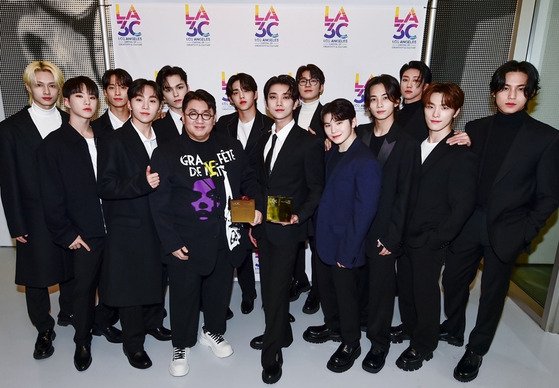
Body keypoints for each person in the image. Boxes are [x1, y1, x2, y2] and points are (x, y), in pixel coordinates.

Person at [441, 61, 559, 383]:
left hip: (508, 229)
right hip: (468, 222)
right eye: (505, 87)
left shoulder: (546, 138)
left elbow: (549, 196)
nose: (512, 95)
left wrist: (526, 231)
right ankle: (453, 327)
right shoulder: (476, 129)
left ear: (530, 94)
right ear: (494, 92)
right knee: (452, 280)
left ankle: (476, 348)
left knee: (492, 294)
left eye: (521, 89)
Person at [149, 89, 263, 377]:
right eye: (193, 114)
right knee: (184, 294)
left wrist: (257, 207)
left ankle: (212, 331)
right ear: (183, 117)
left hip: (226, 235)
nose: (199, 120)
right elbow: (159, 203)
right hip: (185, 240)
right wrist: (171, 241)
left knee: (219, 289)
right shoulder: (166, 152)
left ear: (214, 117)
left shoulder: (231, 146)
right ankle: (181, 343)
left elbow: (248, 179)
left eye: (206, 114)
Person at [37, 76, 121, 371]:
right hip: (83, 233)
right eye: (79, 96)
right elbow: (50, 195)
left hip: (115, 226)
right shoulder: (55, 144)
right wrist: (67, 233)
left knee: (112, 283)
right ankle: (82, 340)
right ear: (66, 102)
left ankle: (102, 323)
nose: (87, 101)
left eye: (92, 96)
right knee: (84, 289)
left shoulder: (106, 137)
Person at [395, 83, 477, 372]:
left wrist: (437, 239)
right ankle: (408, 328)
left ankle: (424, 343)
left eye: (444, 107)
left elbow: (463, 206)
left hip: (430, 238)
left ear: (455, 111)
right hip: (404, 234)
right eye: (430, 106)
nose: (436, 113)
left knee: (425, 291)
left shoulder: (461, 152)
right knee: (405, 286)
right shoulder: (414, 144)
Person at [251, 74, 325, 384]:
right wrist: (253, 214)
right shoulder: (262, 136)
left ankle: (272, 352)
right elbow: (257, 181)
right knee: (269, 286)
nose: (279, 102)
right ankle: (283, 331)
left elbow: (316, 188)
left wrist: (298, 217)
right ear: (266, 102)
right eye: (272, 96)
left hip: (287, 226)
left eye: (285, 96)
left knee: (277, 288)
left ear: (296, 102)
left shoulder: (308, 142)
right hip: (263, 225)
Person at [0, 60, 73, 360]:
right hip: (33, 215)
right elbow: (8, 180)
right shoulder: (10, 129)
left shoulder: (73, 120)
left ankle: (71, 313)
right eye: (40, 84)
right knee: (36, 275)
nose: (47, 91)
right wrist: (16, 224)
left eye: (52, 84)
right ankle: (44, 328)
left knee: (74, 268)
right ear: (28, 87)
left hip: (71, 212)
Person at [303, 98, 381, 373]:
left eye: (339, 122)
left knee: (347, 297)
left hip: (347, 244)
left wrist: (348, 252)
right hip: (324, 240)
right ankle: (333, 327)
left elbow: (364, 213)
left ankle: (351, 342)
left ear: (353, 122)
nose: (333, 129)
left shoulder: (365, 161)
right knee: (327, 290)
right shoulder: (331, 153)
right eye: (328, 125)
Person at [97, 78, 169, 369]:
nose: (145, 106)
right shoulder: (114, 140)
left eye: (152, 100)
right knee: (131, 287)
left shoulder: (164, 139)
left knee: (157, 277)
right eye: (139, 99)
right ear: (129, 102)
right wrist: (140, 183)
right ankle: (133, 345)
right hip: (129, 226)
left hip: (161, 224)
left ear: (159, 106)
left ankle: (153, 323)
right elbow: (105, 186)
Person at [354, 75, 419, 374]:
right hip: (357, 227)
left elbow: (406, 195)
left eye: (385, 98)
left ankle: (379, 343)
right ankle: (358, 327)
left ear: (396, 100)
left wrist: (393, 238)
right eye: (373, 98)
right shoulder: (359, 134)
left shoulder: (406, 142)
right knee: (360, 286)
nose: (379, 104)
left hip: (384, 231)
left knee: (382, 291)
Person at [215, 72, 274, 315]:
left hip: (262, 195)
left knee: (269, 248)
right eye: (235, 92)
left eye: (246, 90)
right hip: (232, 198)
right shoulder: (223, 124)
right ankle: (248, 294)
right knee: (240, 249)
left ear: (255, 94)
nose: (241, 96)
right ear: (229, 97)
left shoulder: (270, 125)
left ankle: (274, 300)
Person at [290, 63, 326, 315]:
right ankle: (300, 280)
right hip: (293, 187)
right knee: (292, 238)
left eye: (313, 80)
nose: (307, 84)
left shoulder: (330, 116)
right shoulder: (288, 112)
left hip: (317, 188)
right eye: (302, 80)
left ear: (321, 86)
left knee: (315, 242)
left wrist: (325, 144)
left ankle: (317, 291)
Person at [154, 65, 190, 144]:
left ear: (188, 89)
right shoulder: (156, 128)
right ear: (163, 96)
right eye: (169, 90)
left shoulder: (202, 120)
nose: (175, 94)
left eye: (179, 87)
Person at [92, 68, 133, 134]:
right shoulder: (94, 128)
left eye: (122, 87)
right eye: (112, 88)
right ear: (105, 92)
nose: (117, 93)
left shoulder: (141, 123)